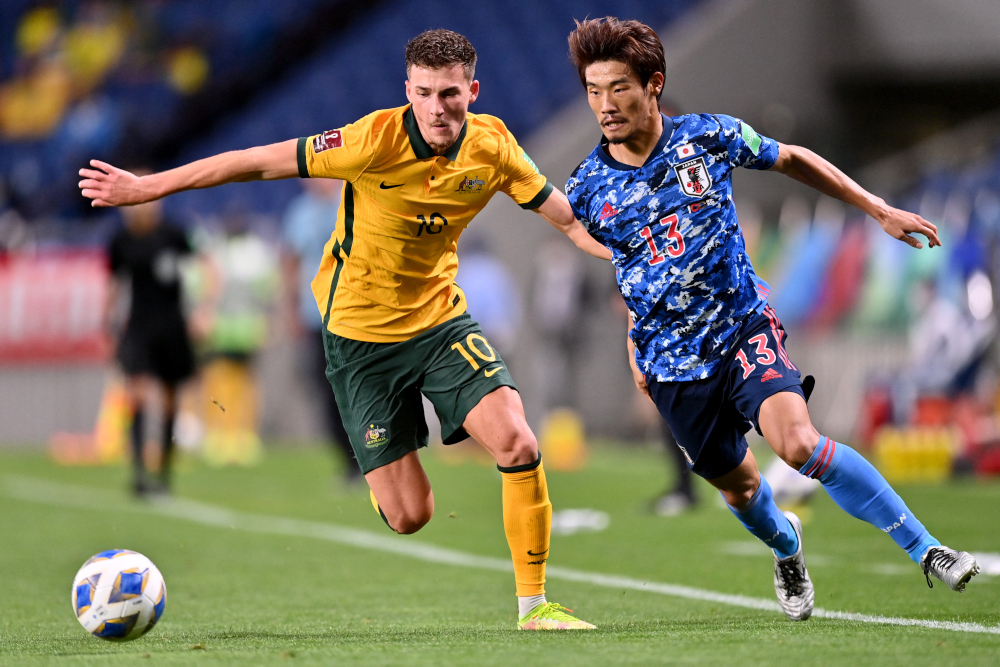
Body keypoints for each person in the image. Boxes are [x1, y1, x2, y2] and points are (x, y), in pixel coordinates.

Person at [80, 29, 606, 631]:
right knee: (411, 515)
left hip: (440, 321)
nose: (439, 107)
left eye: (452, 94)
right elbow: (252, 162)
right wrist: (149, 187)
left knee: (519, 441)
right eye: (427, 93)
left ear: (473, 91)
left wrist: (630, 258)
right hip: (360, 340)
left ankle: (534, 606)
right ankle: (388, 482)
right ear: (408, 91)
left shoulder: (494, 145)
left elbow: (565, 219)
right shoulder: (369, 140)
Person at [563, 17, 979, 622]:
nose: (605, 105)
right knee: (741, 489)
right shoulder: (586, 186)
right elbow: (605, 249)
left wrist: (876, 207)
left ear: (653, 84)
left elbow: (790, 158)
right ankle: (788, 547)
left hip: (743, 328)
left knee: (799, 444)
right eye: (593, 91)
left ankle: (926, 548)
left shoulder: (706, 138)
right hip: (673, 363)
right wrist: (635, 328)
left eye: (618, 88)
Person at [106, 189, 195, 496]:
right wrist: (107, 323)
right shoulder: (122, 240)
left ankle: (165, 475)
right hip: (139, 328)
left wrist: (204, 308)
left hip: (172, 327)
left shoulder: (174, 234)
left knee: (171, 399)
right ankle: (140, 474)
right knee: (139, 395)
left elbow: (203, 267)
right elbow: (114, 283)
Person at [282, 177, 362, 482]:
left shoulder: (354, 203)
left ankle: (376, 455)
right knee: (329, 393)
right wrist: (289, 310)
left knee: (361, 388)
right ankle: (350, 461)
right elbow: (290, 262)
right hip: (316, 316)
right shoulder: (300, 212)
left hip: (356, 315)